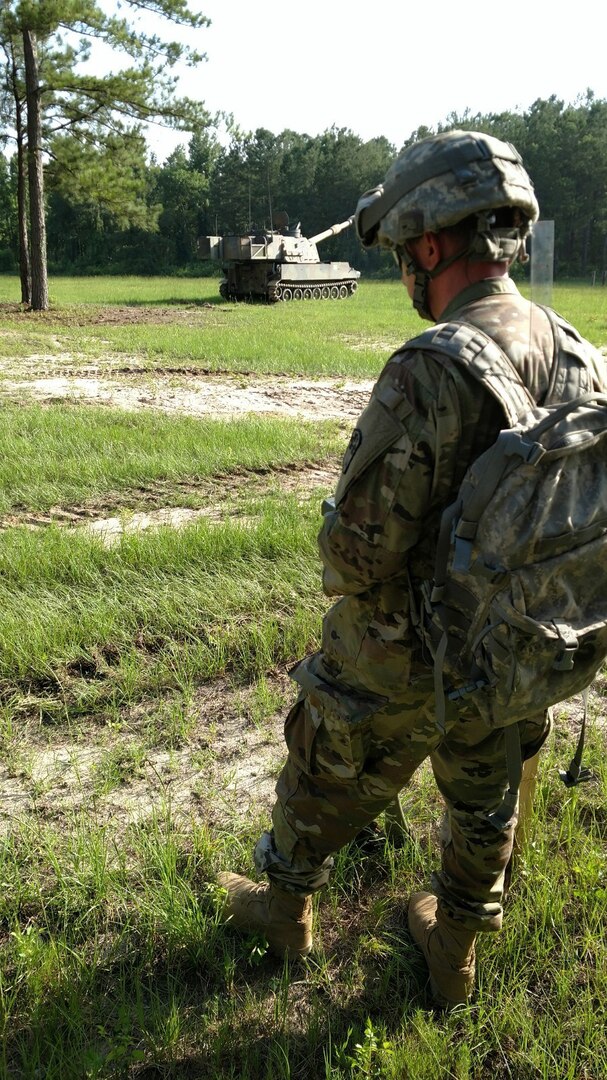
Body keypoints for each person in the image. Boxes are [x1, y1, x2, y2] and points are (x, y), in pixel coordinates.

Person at [218, 130, 607, 1007]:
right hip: (514, 651)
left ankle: (285, 912)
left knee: (322, 762)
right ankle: (455, 953)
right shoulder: (583, 355)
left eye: (400, 251)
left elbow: (357, 552)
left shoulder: (433, 367)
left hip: (405, 654)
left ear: (431, 245)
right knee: (485, 800)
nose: (401, 268)